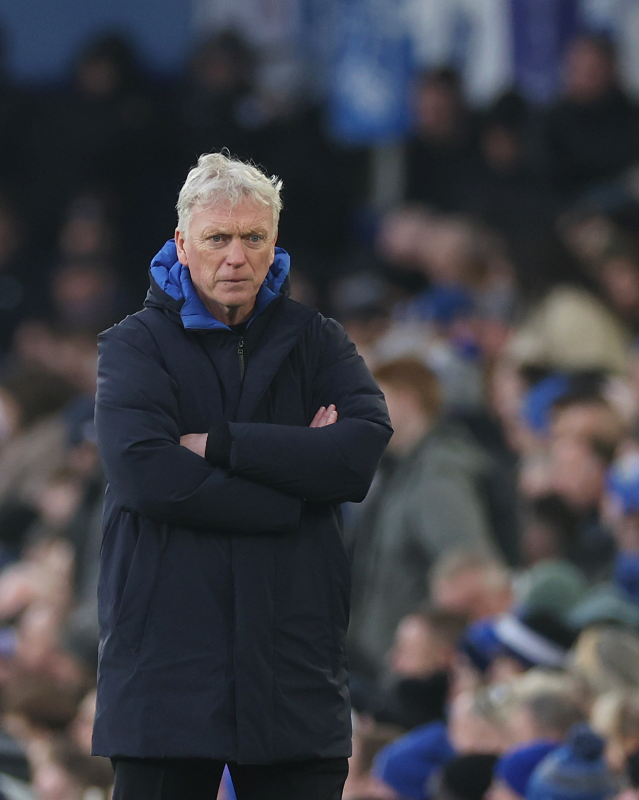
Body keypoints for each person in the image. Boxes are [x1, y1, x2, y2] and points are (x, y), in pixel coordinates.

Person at [93, 153, 392, 798]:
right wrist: (289, 492)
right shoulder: (133, 347)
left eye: (253, 238)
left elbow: (358, 452)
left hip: (293, 668)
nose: (237, 257)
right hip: (166, 671)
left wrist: (221, 444)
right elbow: (148, 474)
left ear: (274, 242)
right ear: (182, 243)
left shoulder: (320, 341)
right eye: (218, 238)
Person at [347, 357, 497, 677]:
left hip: (413, 675)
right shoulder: (400, 469)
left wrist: (428, 654)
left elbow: (468, 574)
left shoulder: (438, 476)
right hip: (384, 666)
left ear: (408, 400)